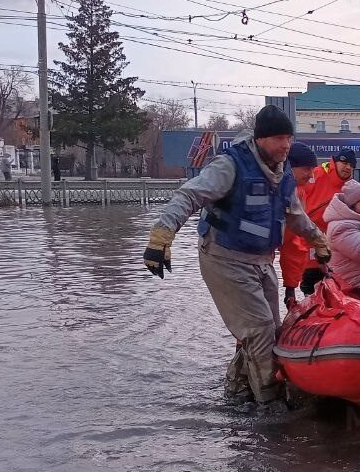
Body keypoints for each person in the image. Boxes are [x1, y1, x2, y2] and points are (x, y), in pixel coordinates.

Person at [142, 105, 331, 406]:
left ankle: (237, 393)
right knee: (259, 329)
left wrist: (318, 241)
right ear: (260, 138)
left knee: (271, 329)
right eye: (279, 138)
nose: (286, 145)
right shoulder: (230, 165)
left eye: (289, 138)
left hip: (261, 260)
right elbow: (189, 195)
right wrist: (162, 236)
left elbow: (296, 216)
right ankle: (271, 405)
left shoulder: (282, 175)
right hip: (224, 256)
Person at [299, 149, 357, 294]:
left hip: (334, 239)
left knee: (333, 278)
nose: (348, 167)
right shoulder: (316, 175)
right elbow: (297, 193)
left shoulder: (351, 187)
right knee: (309, 276)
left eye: (351, 164)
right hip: (308, 235)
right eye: (344, 162)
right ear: (335, 162)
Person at [278, 142, 320, 309]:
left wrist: (290, 287)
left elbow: (292, 243)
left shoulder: (298, 191)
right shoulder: (278, 189)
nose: (311, 175)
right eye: (307, 169)